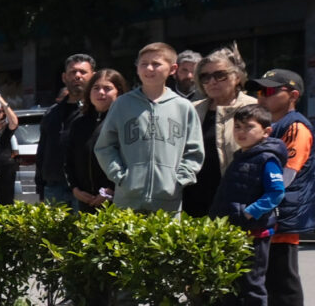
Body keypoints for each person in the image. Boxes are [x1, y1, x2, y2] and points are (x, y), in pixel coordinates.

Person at [94, 41, 204, 218]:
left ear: (173, 69)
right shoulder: (122, 104)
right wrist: (120, 176)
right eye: (144, 64)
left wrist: (179, 180)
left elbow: (194, 150)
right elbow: (105, 146)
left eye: (156, 64)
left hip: (168, 201)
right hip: (127, 199)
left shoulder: (183, 107)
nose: (149, 69)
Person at [253, 69, 315, 306]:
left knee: (283, 278)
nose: (261, 96)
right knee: (266, 277)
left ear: (293, 95)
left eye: (269, 91)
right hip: (267, 214)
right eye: (259, 91)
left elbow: (287, 174)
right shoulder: (269, 126)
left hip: (283, 215)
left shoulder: (295, 127)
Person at [212, 104, 286, 306]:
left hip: (255, 232)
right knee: (232, 280)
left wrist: (250, 212)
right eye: (238, 127)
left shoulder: (267, 159)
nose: (241, 132)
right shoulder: (241, 157)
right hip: (234, 230)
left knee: (252, 281)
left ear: (266, 131)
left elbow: (276, 192)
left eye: (249, 127)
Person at [182, 47, 256, 218]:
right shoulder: (191, 110)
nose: (212, 81)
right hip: (194, 198)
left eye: (220, 75)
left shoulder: (253, 108)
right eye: (205, 77)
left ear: (237, 77)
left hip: (237, 199)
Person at [38, 53, 95, 204]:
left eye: (83, 72)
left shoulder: (98, 111)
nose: (77, 76)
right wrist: (41, 187)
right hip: (54, 187)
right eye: (73, 72)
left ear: (93, 76)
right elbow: (42, 151)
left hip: (86, 190)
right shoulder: (52, 113)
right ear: (64, 77)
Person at [68, 70, 123, 209]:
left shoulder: (124, 122)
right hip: (84, 199)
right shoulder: (78, 123)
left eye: (107, 88)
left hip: (116, 199)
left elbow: (130, 161)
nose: (101, 93)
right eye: (96, 88)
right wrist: (75, 188)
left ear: (119, 92)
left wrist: (111, 189)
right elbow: (69, 159)